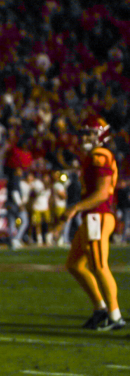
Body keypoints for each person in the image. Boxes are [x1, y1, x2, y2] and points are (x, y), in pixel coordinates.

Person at [61, 117, 124, 331]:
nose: (85, 138)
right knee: (74, 265)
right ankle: (100, 309)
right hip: (92, 216)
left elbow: (102, 193)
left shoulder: (100, 155)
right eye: (84, 134)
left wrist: (76, 207)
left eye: (90, 134)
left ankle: (114, 316)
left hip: (98, 215)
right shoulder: (92, 156)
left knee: (99, 265)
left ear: (101, 135)